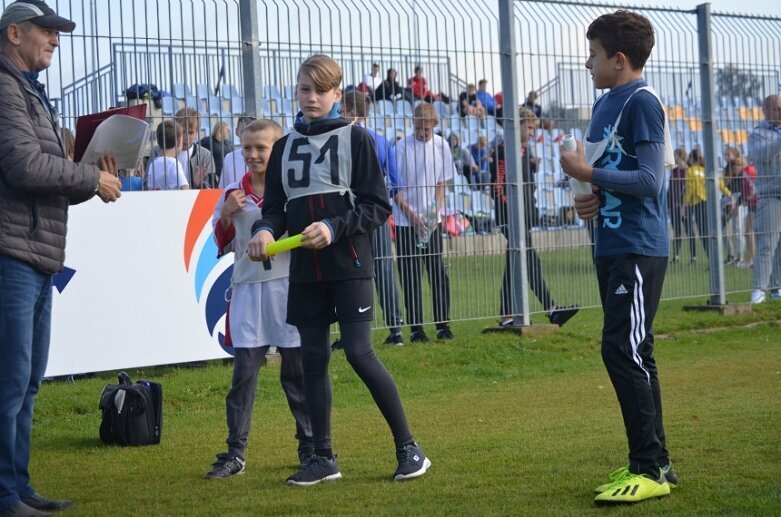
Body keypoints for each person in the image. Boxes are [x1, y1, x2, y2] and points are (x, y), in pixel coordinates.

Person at [246, 54, 430, 485]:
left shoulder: (357, 140)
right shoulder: (284, 147)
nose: (309, 97)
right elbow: (274, 208)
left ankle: (409, 448)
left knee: (359, 352)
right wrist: (263, 230)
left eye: (318, 90)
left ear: (335, 93)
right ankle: (322, 458)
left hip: (350, 265)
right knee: (313, 359)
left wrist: (334, 227)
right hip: (305, 272)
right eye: (303, 89)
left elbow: (377, 207)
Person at [0, 2, 122, 515]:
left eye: (57, 32)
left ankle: (18, 488)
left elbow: (49, 179)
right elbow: (25, 166)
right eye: (47, 32)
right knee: (9, 382)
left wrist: (90, 175)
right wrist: (90, 177)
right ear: (14, 34)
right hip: (12, 255)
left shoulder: (29, 91)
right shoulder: (6, 88)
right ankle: (5, 496)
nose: (55, 40)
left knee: (25, 382)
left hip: (35, 252)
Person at [559, 10, 678, 504]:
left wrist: (589, 177)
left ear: (619, 59)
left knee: (622, 350)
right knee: (634, 351)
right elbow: (611, 177)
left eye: (594, 54)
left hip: (638, 246)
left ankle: (647, 467)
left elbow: (652, 182)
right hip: (611, 243)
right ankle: (657, 464)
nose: (588, 63)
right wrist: (590, 198)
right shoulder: (607, 104)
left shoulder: (643, 103)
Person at [205, 119, 313, 479]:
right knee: (244, 374)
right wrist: (225, 215)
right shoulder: (232, 195)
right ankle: (235, 453)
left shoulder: (293, 193)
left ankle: (310, 447)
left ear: (278, 148)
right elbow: (221, 244)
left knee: (295, 374)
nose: (252, 155)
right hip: (248, 292)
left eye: (261, 148)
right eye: (247, 148)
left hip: (287, 290)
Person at [493, 107, 578, 328]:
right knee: (523, 261)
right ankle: (542, 311)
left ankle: (518, 314)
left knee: (521, 262)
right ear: (517, 125)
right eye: (529, 127)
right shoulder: (505, 150)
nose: (532, 132)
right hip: (510, 217)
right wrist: (513, 212)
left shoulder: (522, 150)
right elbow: (499, 186)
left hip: (521, 217)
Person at [340, 92, 405, 346]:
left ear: (347, 110)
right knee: (384, 270)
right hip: (374, 215)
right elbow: (396, 183)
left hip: (347, 216)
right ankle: (396, 329)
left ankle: (348, 333)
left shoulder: (342, 140)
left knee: (347, 270)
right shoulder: (380, 141)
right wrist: (376, 195)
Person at [393, 102, 455, 342]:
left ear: (434, 127)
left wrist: (434, 212)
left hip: (431, 223)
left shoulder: (441, 146)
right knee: (410, 276)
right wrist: (412, 215)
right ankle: (417, 328)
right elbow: (395, 188)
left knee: (437, 272)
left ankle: (443, 325)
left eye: (426, 130)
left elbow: (442, 183)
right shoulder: (401, 148)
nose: (421, 133)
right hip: (405, 221)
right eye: (418, 128)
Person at [748, 94, 781, 304]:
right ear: (766, 111)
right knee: (767, 244)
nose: (780, 111)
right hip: (771, 193)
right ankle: (759, 290)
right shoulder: (757, 134)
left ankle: (777, 288)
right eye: (777, 108)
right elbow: (762, 156)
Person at [152, 107, 216, 188]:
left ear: (197, 132)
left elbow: (213, 190)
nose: (186, 136)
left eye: (190, 132)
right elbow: (147, 184)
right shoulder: (157, 151)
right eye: (182, 132)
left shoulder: (205, 155)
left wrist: (200, 184)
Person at [146, 120, 189, 190]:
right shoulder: (173, 164)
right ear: (178, 142)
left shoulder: (153, 163)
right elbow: (185, 187)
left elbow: (150, 189)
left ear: (158, 142)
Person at [220, 116, 254, 189]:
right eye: (242, 131)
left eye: (250, 131)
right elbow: (223, 189)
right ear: (236, 132)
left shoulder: (265, 158)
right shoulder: (229, 158)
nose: (246, 136)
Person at [668, 147, 688, 263]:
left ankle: (693, 257)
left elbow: (686, 188)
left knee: (688, 230)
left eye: (675, 155)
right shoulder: (674, 170)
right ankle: (676, 256)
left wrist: (681, 204)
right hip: (673, 204)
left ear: (680, 156)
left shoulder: (686, 170)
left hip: (683, 205)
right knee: (677, 231)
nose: (673, 157)